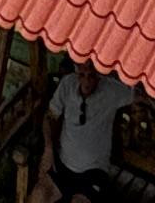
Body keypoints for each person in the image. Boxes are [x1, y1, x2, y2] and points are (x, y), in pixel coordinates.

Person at [48, 61, 125, 193]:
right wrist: (48, 149)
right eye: (82, 75)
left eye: (91, 76)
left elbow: (140, 94)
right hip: (64, 162)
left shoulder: (112, 90)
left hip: (94, 169)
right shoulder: (68, 84)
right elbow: (51, 116)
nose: (86, 82)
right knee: (41, 194)